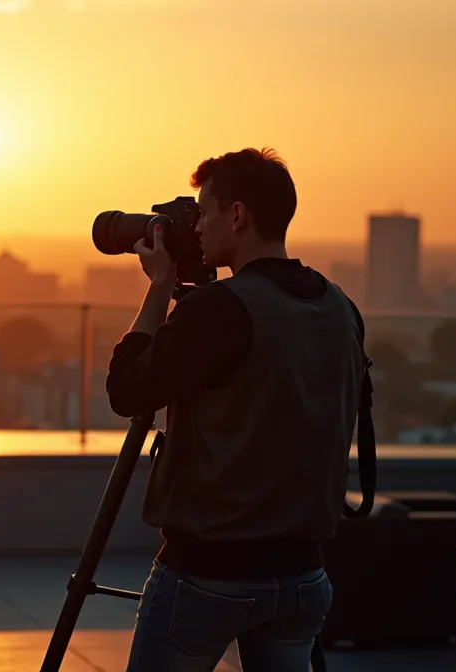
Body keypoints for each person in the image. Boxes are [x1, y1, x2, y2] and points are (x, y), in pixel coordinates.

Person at [107, 147, 370, 671]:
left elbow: (126, 391)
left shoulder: (220, 309)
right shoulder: (340, 306)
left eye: (204, 212)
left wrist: (160, 291)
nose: (197, 227)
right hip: (303, 577)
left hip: (208, 574)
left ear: (238, 215)